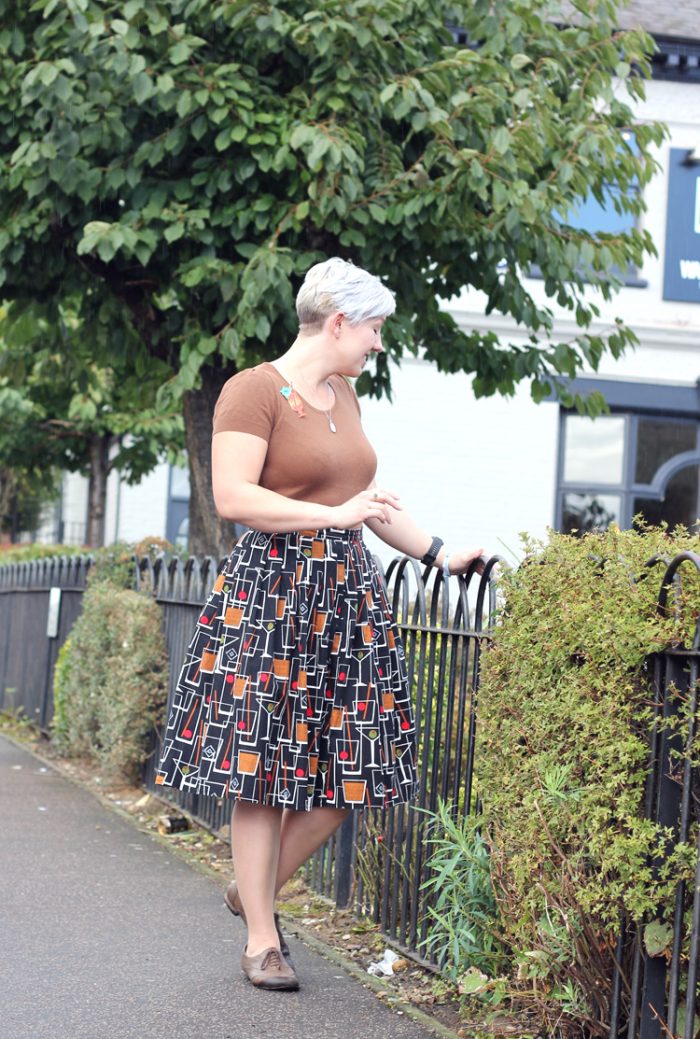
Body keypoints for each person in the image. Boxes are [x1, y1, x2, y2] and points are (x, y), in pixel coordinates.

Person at [155, 257, 484, 991]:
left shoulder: (345, 398)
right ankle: (262, 941)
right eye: (373, 330)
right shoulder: (253, 391)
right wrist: (331, 516)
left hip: (346, 600)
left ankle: (252, 892)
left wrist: (439, 551)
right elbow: (235, 496)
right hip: (272, 595)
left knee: (354, 774)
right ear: (339, 322)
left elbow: (367, 500)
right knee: (264, 771)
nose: (377, 345)